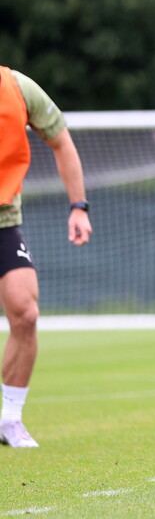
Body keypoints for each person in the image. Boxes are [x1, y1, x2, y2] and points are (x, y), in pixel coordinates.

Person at [1, 65, 92, 448]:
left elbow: (62, 142)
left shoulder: (18, 87)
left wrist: (79, 206)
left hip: (4, 219)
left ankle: (8, 418)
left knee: (26, 313)